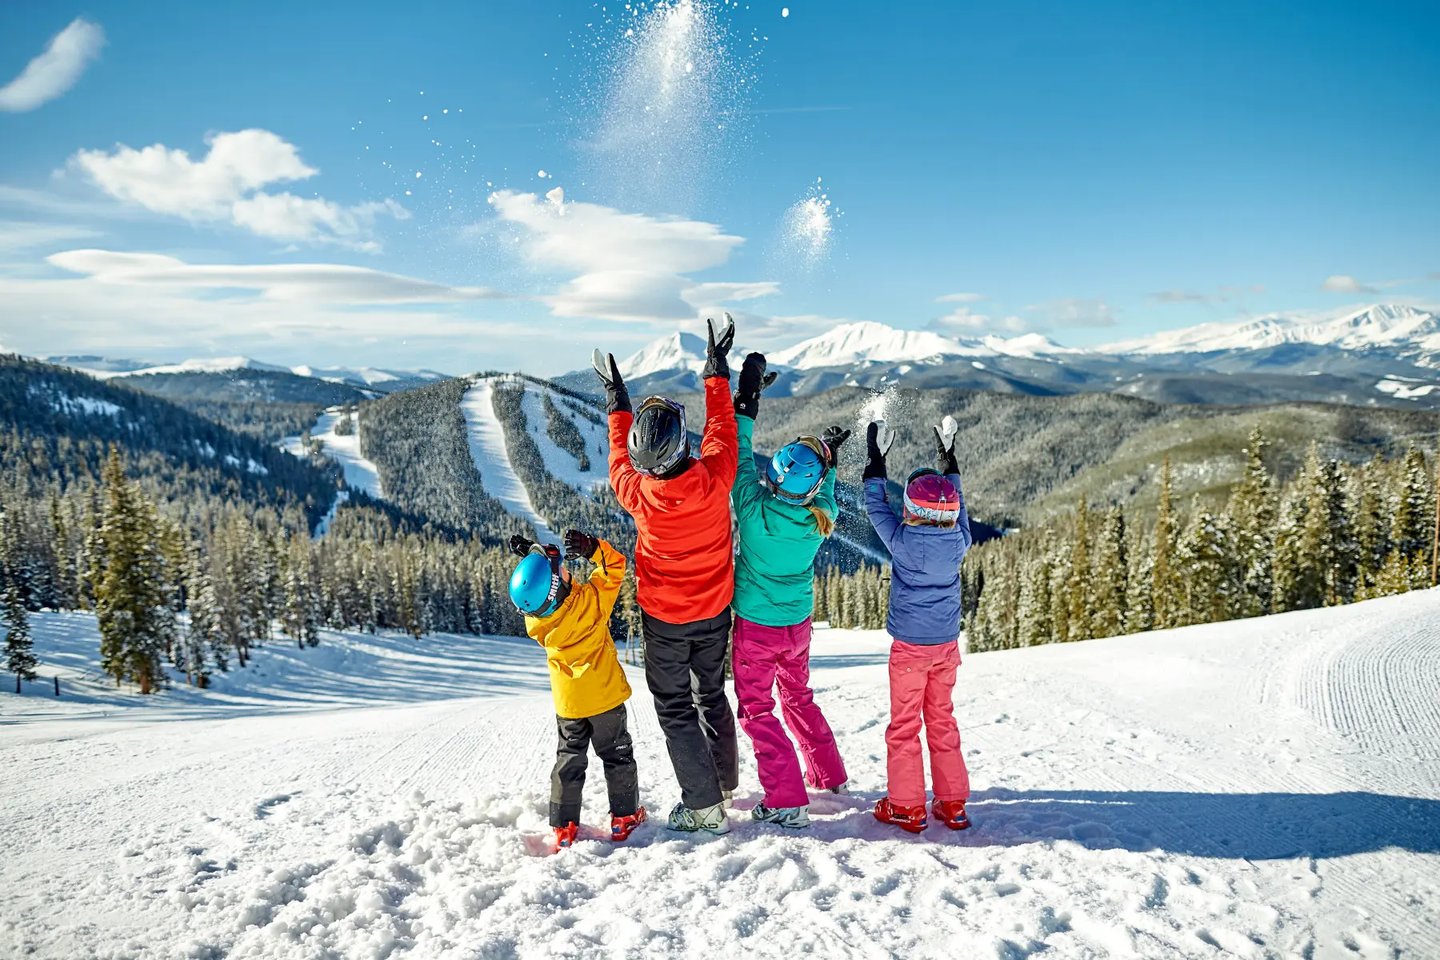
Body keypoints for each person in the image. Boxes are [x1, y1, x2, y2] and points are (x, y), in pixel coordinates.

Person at [591, 316, 740, 835]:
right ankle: (722, 784)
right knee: (711, 695)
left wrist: (616, 401)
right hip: (715, 612)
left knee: (676, 708)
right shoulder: (715, 477)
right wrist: (715, 372)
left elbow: (617, 458)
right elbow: (722, 427)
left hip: (665, 622)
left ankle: (704, 807)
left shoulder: (636, 493)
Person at [729, 351, 851, 830]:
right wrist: (829, 458)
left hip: (756, 629)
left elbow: (739, 454)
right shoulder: (821, 518)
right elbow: (826, 492)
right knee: (798, 696)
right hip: (797, 626)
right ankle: (829, 776)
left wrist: (747, 403)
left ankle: (785, 799)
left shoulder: (752, 506)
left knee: (758, 710)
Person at [862, 415, 975, 833]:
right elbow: (961, 508)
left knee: (904, 726)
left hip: (909, 649)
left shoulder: (903, 542)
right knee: (942, 720)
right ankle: (952, 803)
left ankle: (907, 807)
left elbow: (875, 506)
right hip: (946, 647)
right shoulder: (959, 540)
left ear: (910, 508)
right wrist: (950, 461)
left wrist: (876, 460)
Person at [508, 529, 645, 850]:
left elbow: (537, 592)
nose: (568, 570)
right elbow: (614, 566)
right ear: (558, 585)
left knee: (569, 760)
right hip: (605, 697)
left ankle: (563, 826)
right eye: (563, 572)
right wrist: (594, 549)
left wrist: (532, 558)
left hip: (569, 704)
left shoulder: (537, 621)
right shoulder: (591, 602)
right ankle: (624, 817)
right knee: (617, 756)